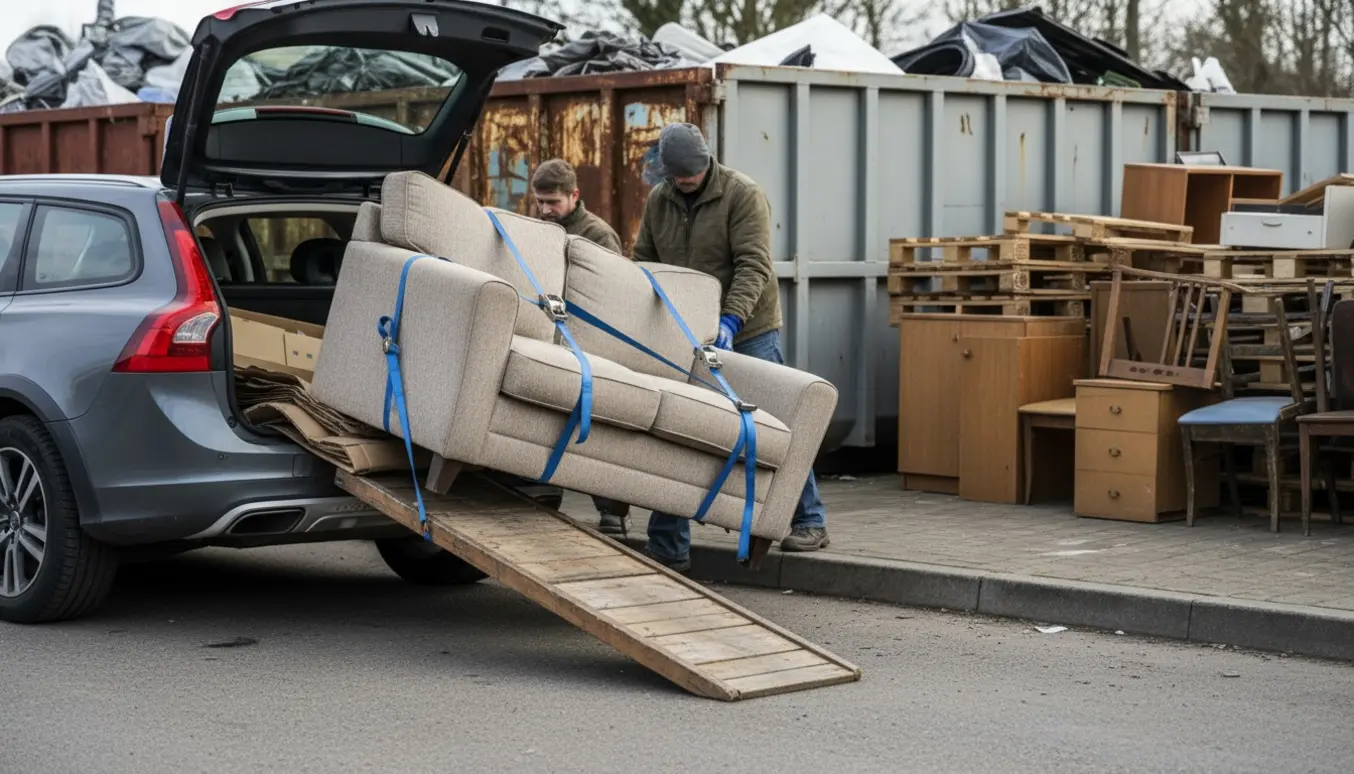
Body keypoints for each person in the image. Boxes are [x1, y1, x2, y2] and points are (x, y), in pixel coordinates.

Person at [632, 123, 829, 573]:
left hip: (747, 326)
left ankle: (810, 520)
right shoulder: (659, 199)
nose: (687, 183)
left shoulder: (742, 194)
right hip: (687, 329)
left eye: (693, 176)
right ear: (667, 173)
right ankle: (667, 546)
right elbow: (645, 260)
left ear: (707, 163)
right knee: (678, 423)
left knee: (776, 422)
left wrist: (732, 320)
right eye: (679, 178)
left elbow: (753, 263)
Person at [530, 158, 633, 536]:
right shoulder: (537, 229)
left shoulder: (598, 235)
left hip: (590, 346)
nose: (544, 210)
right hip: (550, 341)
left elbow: (617, 295)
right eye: (539, 202)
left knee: (592, 428)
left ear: (575, 195)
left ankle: (612, 513)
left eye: (552, 202)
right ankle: (540, 500)